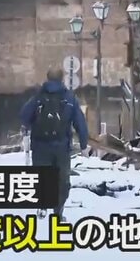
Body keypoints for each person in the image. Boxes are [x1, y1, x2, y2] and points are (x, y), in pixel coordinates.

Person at [19, 67, 89, 220]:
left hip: (40, 146)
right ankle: (58, 211)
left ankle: (42, 204)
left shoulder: (38, 97)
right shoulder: (69, 98)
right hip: (61, 147)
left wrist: (28, 127)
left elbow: (24, 115)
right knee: (62, 181)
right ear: (62, 79)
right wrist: (84, 144)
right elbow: (80, 122)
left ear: (47, 78)